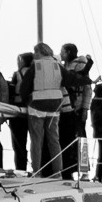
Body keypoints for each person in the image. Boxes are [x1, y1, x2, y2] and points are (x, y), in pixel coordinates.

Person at [27, 41, 63, 175]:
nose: (34, 55)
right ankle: (58, 171)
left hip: (37, 107)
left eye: (35, 52)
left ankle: (37, 171)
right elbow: (70, 79)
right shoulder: (57, 66)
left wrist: (27, 99)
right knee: (54, 140)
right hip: (54, 107)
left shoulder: (35, 66)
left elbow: (25, 85)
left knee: (36, 140)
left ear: (40, 52)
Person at [58, 44, 92, 178]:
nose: (60, 54)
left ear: (68, 52)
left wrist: (85, 108)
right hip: (66, 108)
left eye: (62, 52)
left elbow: (87, 88)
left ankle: (84, 171)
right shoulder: (64, 66)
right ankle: (68, 169)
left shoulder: (80, 64)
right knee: (67, 140)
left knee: (81, 139)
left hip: (77, 107)